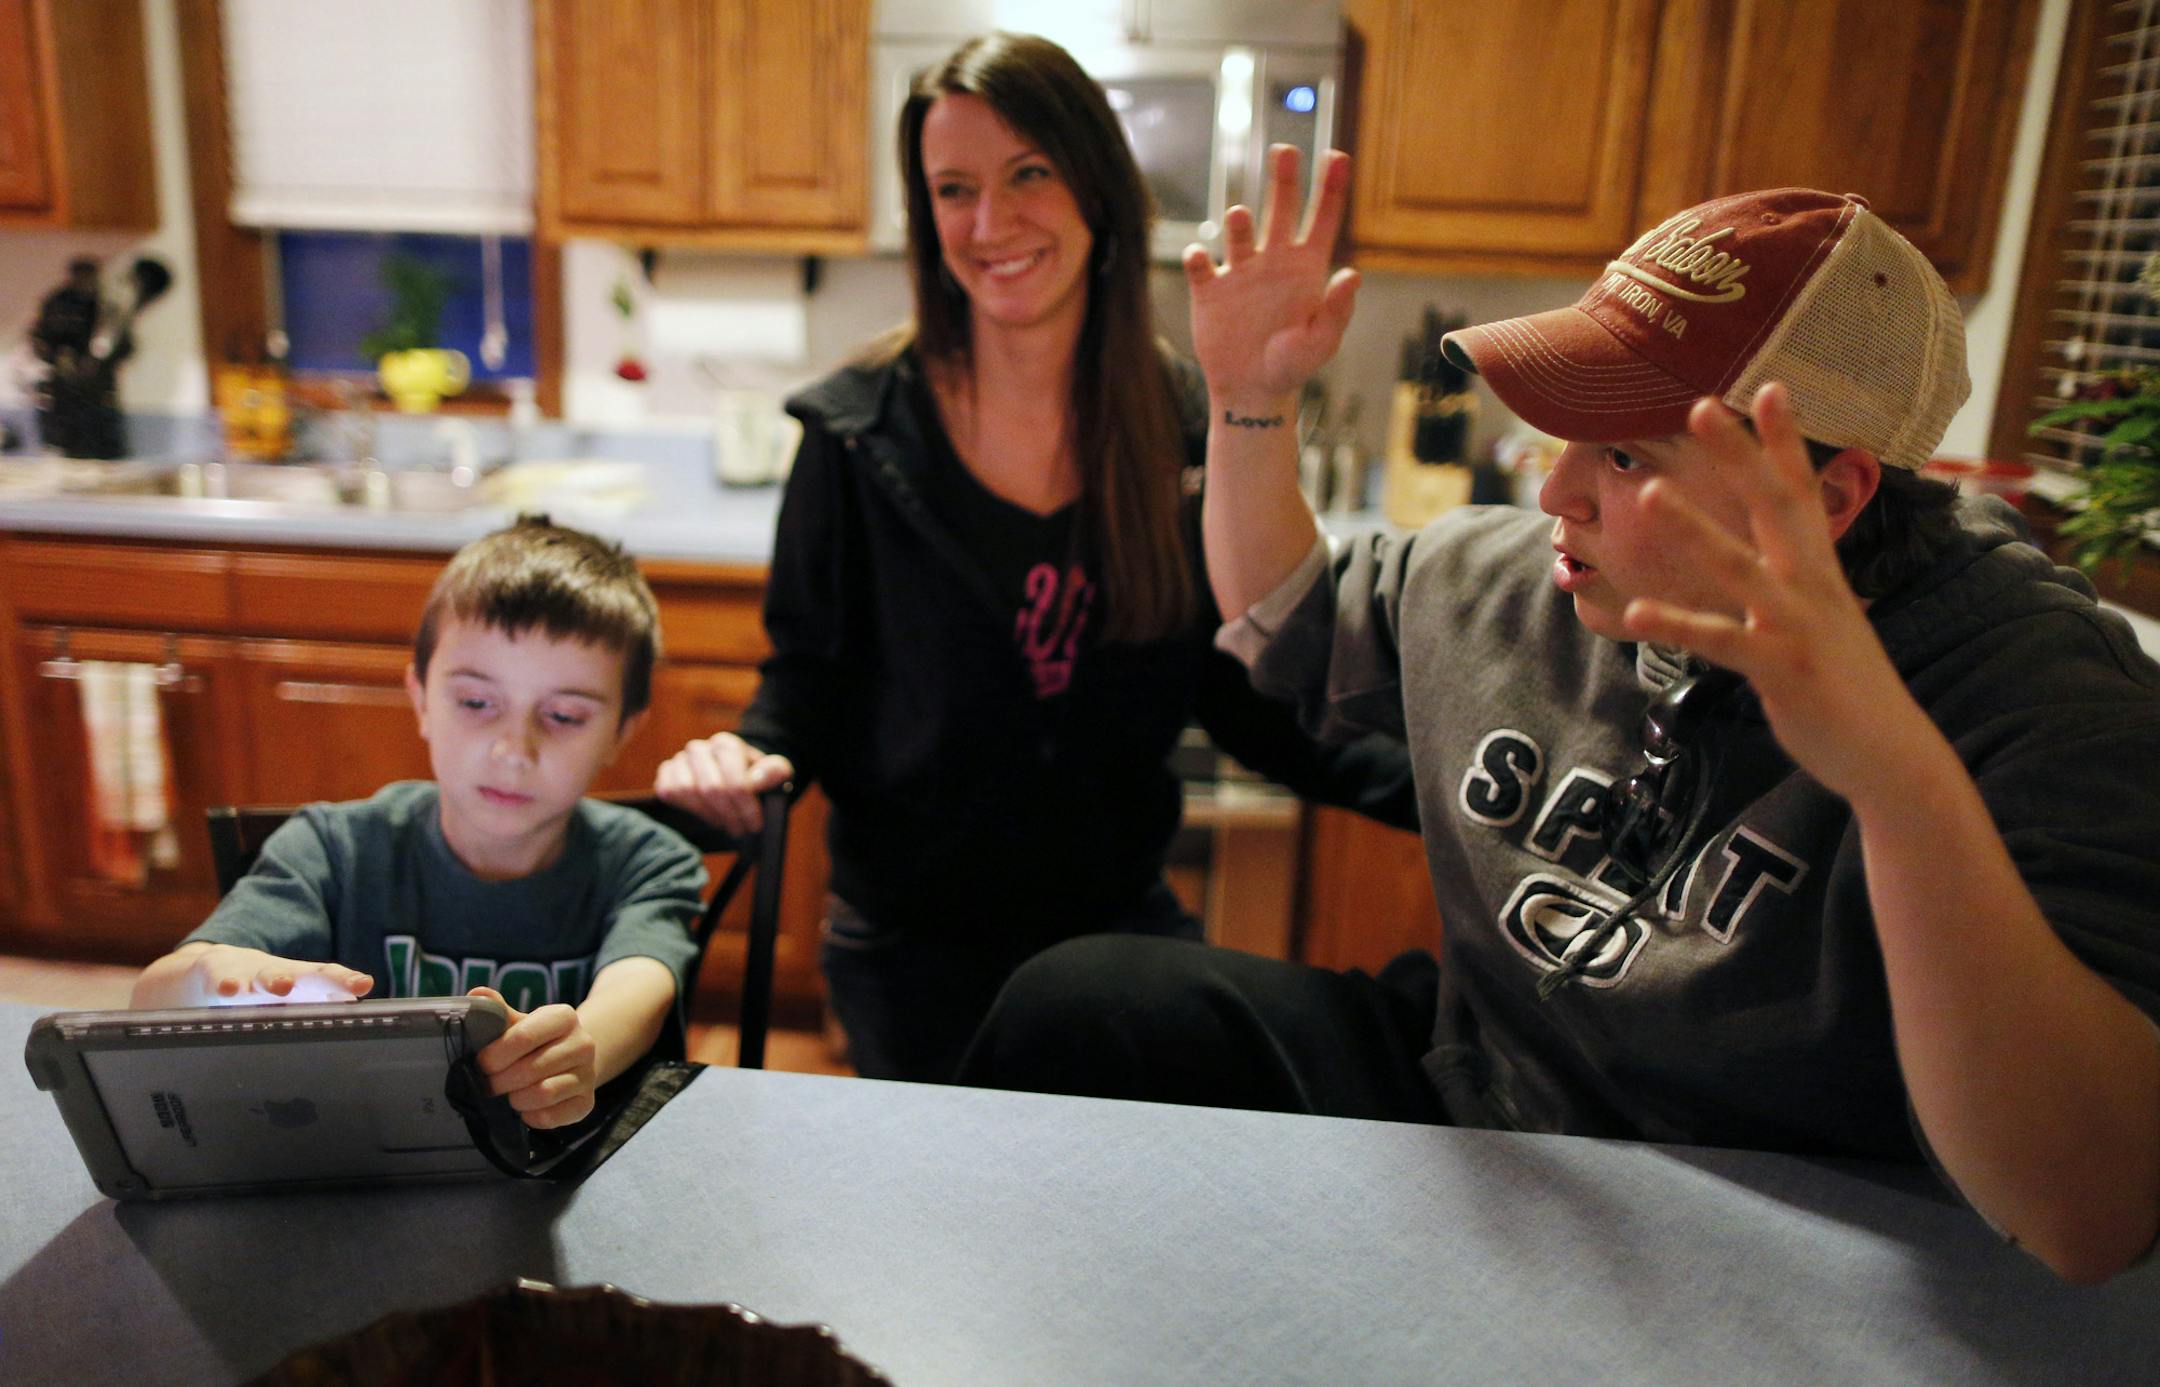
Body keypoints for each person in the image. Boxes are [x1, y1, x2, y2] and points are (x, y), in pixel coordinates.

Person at [958, 153, 2160, 1284]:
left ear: (1828, 494)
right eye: (1570, 431)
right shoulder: (1538, 577)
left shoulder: (2040, 703)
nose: (1554, 491)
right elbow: (1285, 617)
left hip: (1772, 1219)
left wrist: (1902, 788)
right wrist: (1248, 399)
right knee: (1089, 1006)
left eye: (1627, 456)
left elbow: (2090, 1215)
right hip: (1484, 1105)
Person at [653, 33, 1413, 1084]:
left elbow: (1247, 698)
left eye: (1029, 175)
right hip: (908, 956)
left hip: (1118, 948)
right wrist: (743, 756)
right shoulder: (856, 436)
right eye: (952, 188)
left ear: (1094, 186)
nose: (989, 223)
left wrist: (1454, 795)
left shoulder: (1181, 422)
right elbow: (806, 686)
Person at [133, 517, 706, 1131]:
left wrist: (578, 1050)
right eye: (477, 703)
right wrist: (213, 979)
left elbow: (639, 993)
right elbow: (154, 996)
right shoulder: (333, 849)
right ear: (421, 699)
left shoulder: (651, 863)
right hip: (357, 1164)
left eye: (564, 715)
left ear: (623, 731)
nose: (514, 749)